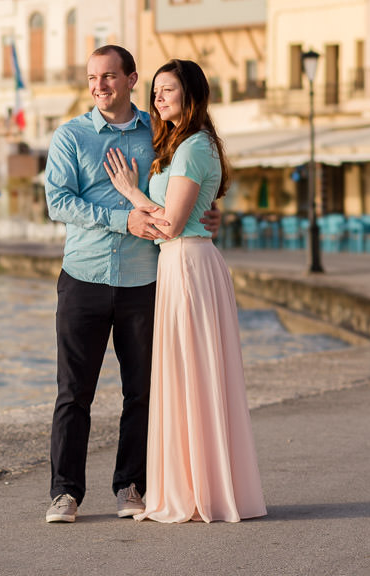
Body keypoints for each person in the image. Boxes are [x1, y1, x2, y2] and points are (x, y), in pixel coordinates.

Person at [42, 45, 218, 524]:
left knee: (142, 391)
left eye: (109, 77)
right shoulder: (71, 136)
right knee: (73, 393)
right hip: (84, 278)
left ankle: (131, 485)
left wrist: (205, 212)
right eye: (92, 78)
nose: (99, 86)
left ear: (132, 79)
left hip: (146, 282)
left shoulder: (160, 131)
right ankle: (65, 493)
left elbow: (183, 187)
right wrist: (124, 220)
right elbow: (58, 202)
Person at [105, 58, 266, 523]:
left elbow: (171, 223)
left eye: (168, 90)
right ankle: (201, 486)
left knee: (190, 375)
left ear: (190, 95)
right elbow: (190, 215)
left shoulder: (193, 146)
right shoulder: (185, 143)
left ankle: (198, 491)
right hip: (185, 262)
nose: (158, 97)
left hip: (188, 264)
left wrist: (131, 192)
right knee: (191, 376)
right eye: (155, 90)